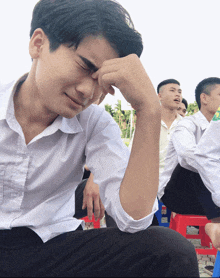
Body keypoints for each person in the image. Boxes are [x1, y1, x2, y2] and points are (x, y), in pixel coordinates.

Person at [0, 0, 199, 276]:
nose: (87, 91)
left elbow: (134, 220)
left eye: (102, 82)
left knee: (169, 249)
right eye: (84, 66)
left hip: (52, 249)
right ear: (38, 44)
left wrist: (149, 110)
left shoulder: (93, 122)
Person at [158, 77, 220, 226]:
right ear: (204, 98)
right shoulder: (186, 125)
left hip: (209, 193)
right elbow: (187, 156)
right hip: (177, 194)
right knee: (197, 161)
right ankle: (217, 222)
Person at [157, 79, 183, 175]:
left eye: (179, 92)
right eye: (172, 90)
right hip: (152, 183)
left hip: (178, 184)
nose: (177, 94)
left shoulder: (186, 125)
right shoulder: (148, 124)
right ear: (160, 96)